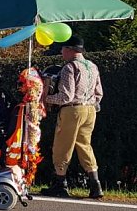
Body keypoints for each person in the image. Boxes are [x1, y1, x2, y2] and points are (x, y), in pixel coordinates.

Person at [42, 35, 104, 199]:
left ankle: (60, 184)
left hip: (72, 110)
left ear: (70, 50)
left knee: (62, 146)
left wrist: (45, 98)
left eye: (63, 48)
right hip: (90, 110)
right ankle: (95, 184)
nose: (61, 52)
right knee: (85, 145)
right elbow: (99, 93)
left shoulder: (69, 68)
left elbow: (66, 97)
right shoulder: (93, 66)